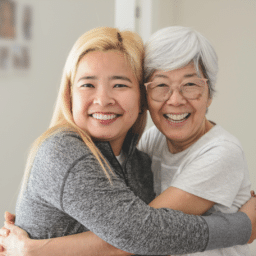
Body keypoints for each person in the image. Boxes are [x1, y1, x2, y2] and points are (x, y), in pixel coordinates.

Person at [0, 26, 256, 256]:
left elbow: (137, 232)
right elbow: (141, 234)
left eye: (120, 85)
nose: (103, 99)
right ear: (69, 95)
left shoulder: (138, 155)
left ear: (140, 97)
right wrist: (244, 225)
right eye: (88, 84)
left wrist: (34, 249)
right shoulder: (64, 151)